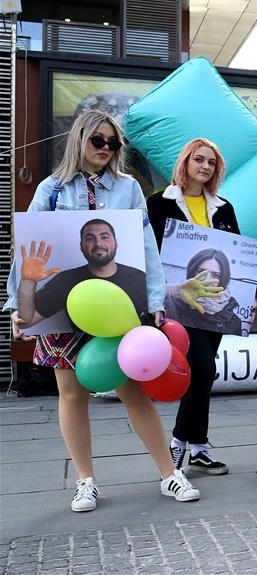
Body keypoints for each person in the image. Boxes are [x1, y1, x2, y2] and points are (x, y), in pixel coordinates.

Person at [5, 110, 199, 512]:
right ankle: (86, 481)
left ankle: (170, 474)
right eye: (98, 140)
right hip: (62, 306)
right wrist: (17, 307)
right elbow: (28, 250)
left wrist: (156, 301)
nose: (106, 148)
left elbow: (146, 246)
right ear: (79, 139)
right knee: (71, 394)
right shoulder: (51, 189)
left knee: (133, 391)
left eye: (113, 142)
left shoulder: (128, 188)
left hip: (118, 307)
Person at [147, 137, 241, 475]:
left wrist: (245, 301)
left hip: (215, 306)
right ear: (185, 162)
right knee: (201, 369)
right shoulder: (159, 204)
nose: (205, 166)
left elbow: (236, 255)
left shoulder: (224, 208)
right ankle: (178, 442)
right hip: (177, 303)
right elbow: (148, 253)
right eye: (198, 159)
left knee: (204, 374)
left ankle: (199, 447)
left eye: (211, 162)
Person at [17, 219, 148, 324]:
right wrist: (28, 282)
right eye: (90, 238)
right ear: (81, 246)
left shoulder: (140, 278)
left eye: (104, 237)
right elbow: (26, 322)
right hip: (83, 349)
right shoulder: (65, 281)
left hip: (131, 348)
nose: (98, 243)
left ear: (116, 243)